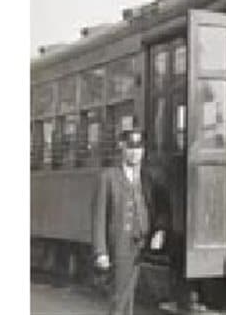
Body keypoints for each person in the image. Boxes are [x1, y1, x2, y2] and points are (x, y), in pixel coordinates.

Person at [92, 129, 164, 315]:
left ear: (144, 151)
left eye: (139, 148)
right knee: (119, 296)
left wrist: (159, 231)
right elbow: (98, 217)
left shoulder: (148, 179)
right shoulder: (108, 177)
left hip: (141, 244)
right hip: (120, 244)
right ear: (122, 149)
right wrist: (101, 251)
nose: (135, 153)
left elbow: (160, 208)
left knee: (128, 294)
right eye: (130, 148)